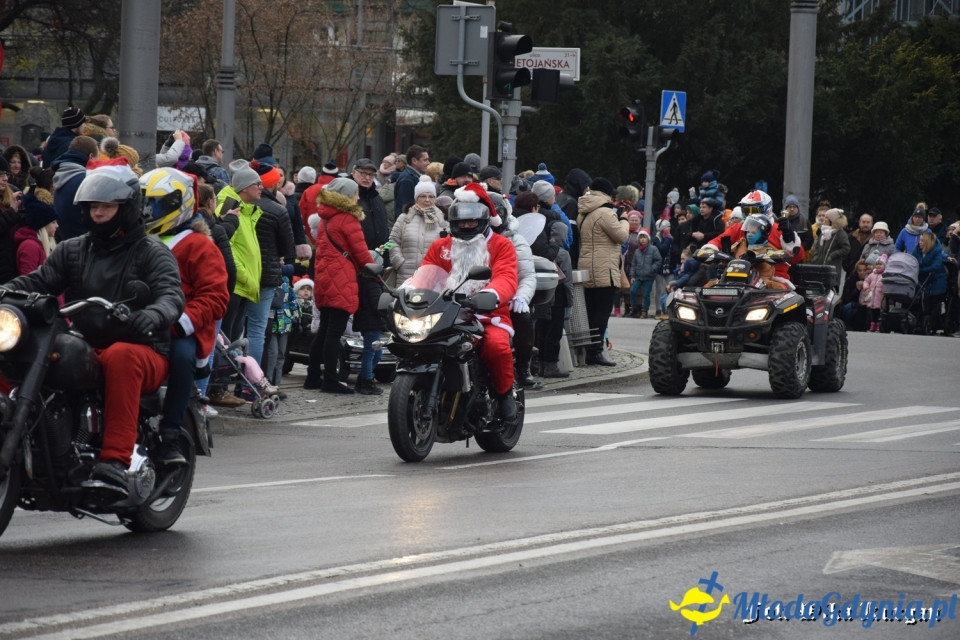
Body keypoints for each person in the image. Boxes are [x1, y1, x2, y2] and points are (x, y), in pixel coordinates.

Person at [1, 161, 185, 495]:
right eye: (94, 207)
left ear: (127, 209)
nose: (98, 213)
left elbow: (171, 294)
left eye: (107, 206)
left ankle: (114, 462)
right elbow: (39, 281)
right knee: (14, 351)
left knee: (120, 357)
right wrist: (6, 291)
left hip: (143, 348)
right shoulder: (74, 249)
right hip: (87, 341)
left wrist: (154, 314)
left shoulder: (151, 252)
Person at [140, 167, 230, 464]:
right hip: (138, 319)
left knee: (181, 357)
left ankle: (170, 432)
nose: (147, 210)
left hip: (178, 327)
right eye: (145, 203)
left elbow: (216, 297)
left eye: (155, 204)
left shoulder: (199, 245)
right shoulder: (134, 240)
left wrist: (181, 323)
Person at [417, 187, 519, 418]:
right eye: (461, 221)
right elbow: (424, 275)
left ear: (483, 219)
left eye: (471, 221)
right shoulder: (440, 246)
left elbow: (506, 276)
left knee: (496, 346)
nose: (465, 226)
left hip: (487, 314)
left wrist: (491, 294)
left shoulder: (501, 245)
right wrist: (408, 293)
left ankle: (504, 395)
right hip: (444, 312)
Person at [304, 178, 375, 393]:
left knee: (324, 330)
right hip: (341, 280)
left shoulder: (326, 218)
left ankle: (313, 376)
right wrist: (374, 267)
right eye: (355, 193)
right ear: (346, 196)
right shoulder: (347, 219)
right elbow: (361, 252)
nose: (358, 197)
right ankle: (330, 381)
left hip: (326, 279)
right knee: (334, 332)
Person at [577, 177, 629, 366]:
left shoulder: (583, 211)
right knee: (601, 313)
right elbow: (622, 236)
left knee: (591, 311)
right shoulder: (606, 213)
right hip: (604, 268)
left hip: (587, 265)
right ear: (606, 194)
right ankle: (595, 352)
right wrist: (623, 218)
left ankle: (591, 349)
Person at [388, 175, 449, 286]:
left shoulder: (443, 220)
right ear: (416, 198)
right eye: (423, 196)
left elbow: (449, 245)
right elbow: (393, 241)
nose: (427, 200)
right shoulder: (404, 218)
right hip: (405, 275)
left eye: (431, 196)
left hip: (433, 276)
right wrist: (399, 262)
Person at [50, 135, 100, 241]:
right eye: (97, 158)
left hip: (64, 244)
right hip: (85, 246)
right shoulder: (86, 180)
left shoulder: (61, 175)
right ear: (91, 157)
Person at [14, 193, 58, 275]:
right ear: (42, 225)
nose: (57, 226)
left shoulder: (39, 244)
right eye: (53, 222)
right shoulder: (30, 246)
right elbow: (27, 279)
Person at [912, 230, 947, 334]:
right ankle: (919, 322)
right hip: (923, 279)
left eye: (922, 240)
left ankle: (932, 323)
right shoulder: (917, 250)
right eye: (920, 240)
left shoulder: (936, 251)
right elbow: (912, 260)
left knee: (934, 302)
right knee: (922, 301)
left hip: (936, 279)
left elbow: (936, 266)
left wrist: (920, 269)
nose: (920, 242)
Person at [352, 158, 391, 250]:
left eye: (371, 174)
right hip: (356, 255)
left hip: (378, 255)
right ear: (353, 173)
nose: (367, 178)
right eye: (363, 173)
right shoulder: (349, 197)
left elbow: (385, 228)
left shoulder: (377, 199)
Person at [627, 229, 662, 318]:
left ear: (648, 239)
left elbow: (658, 260)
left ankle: (644, 311)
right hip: (638, 276)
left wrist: (652, 269)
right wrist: (632, 276)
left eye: (644, 237)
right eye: (641, 238)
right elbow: (633, 264)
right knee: (633, 290)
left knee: (646, 294)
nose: (642, 240)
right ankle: (633, 309)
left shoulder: (653, 249)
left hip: (649, 276)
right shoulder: (637, 251)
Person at [807, 207, 850, 278]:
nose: (824, 219)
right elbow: (817, 246)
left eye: (826, 218)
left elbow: (846, 248)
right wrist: (815, 256)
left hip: (832, 269)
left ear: (832, 220)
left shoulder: (840, 233)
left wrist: (832, 255)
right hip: (819, 268)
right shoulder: (823, 231)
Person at [394, 144, 430, 220]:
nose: (428, 163)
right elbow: (405, 209)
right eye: (425, 160)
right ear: (414, 161)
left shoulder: (414, 177)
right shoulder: (407, 179)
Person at [860, 255, 885, 332]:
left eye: (880, 264)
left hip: (880, 297)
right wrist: (866, 288)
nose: (878, 266)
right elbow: (866, 281)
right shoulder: (872, 274)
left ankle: (878, 326)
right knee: (872, 312)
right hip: (872, 297)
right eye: (877, 264)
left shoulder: (885, 275)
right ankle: (872, 325)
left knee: (879, 312)